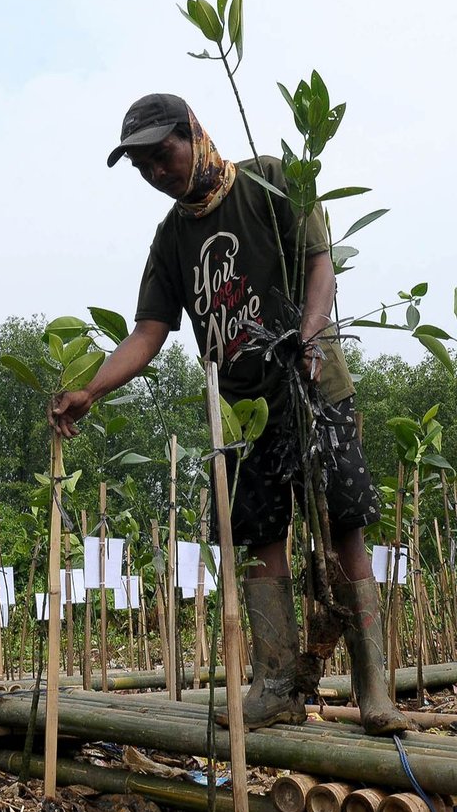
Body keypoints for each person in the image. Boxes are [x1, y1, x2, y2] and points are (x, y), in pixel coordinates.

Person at [51, 93, 409, 736]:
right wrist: (91, 389)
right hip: (242, 414)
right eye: (142, 168)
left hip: (313, 385)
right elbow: (149, 330)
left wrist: (307, 333)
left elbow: (322, 265)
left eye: (163, 155)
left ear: (195, 133)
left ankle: (374, 688)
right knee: (258, 541)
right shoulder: (171, 240)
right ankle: (275, 685)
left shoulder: (272, 180)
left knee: (345, 528)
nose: (157, 174)